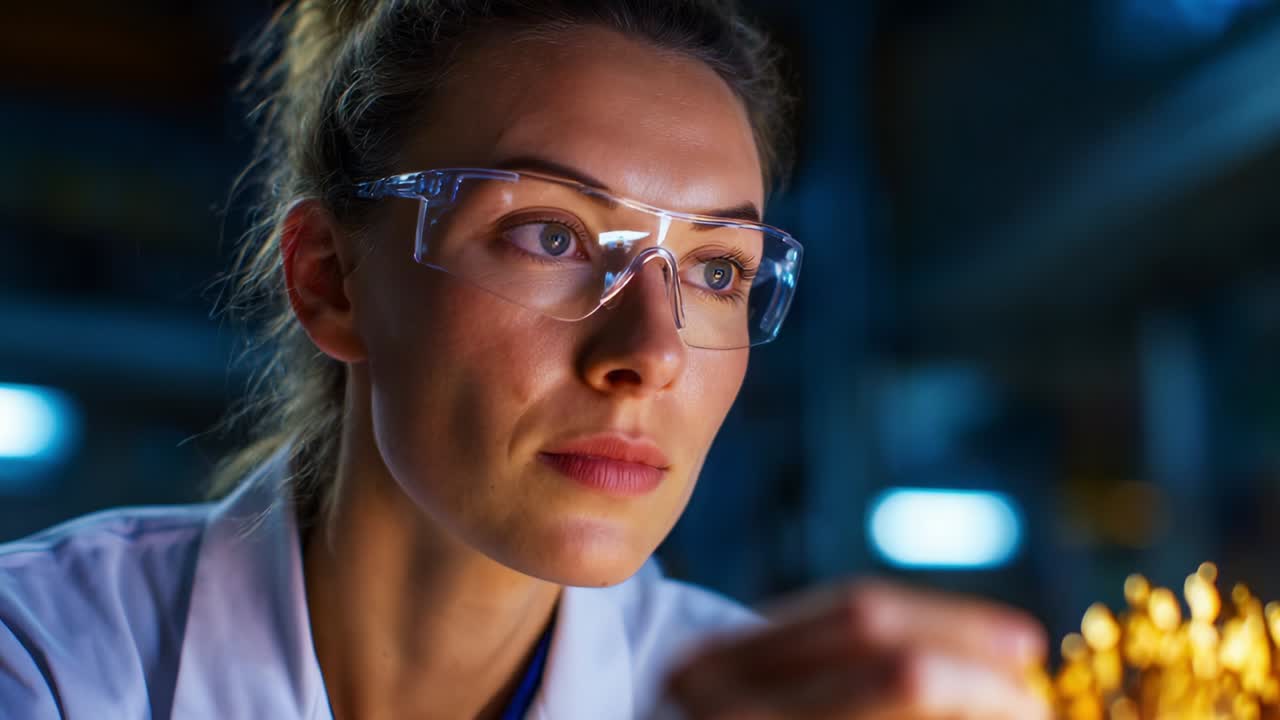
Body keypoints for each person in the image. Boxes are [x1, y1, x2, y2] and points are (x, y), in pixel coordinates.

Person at [0, 1, 1050, 718]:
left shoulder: (765, 699)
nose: (647, 354)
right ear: (329, 277)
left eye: (718, 272)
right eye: (549, 236)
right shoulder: (50, 659)